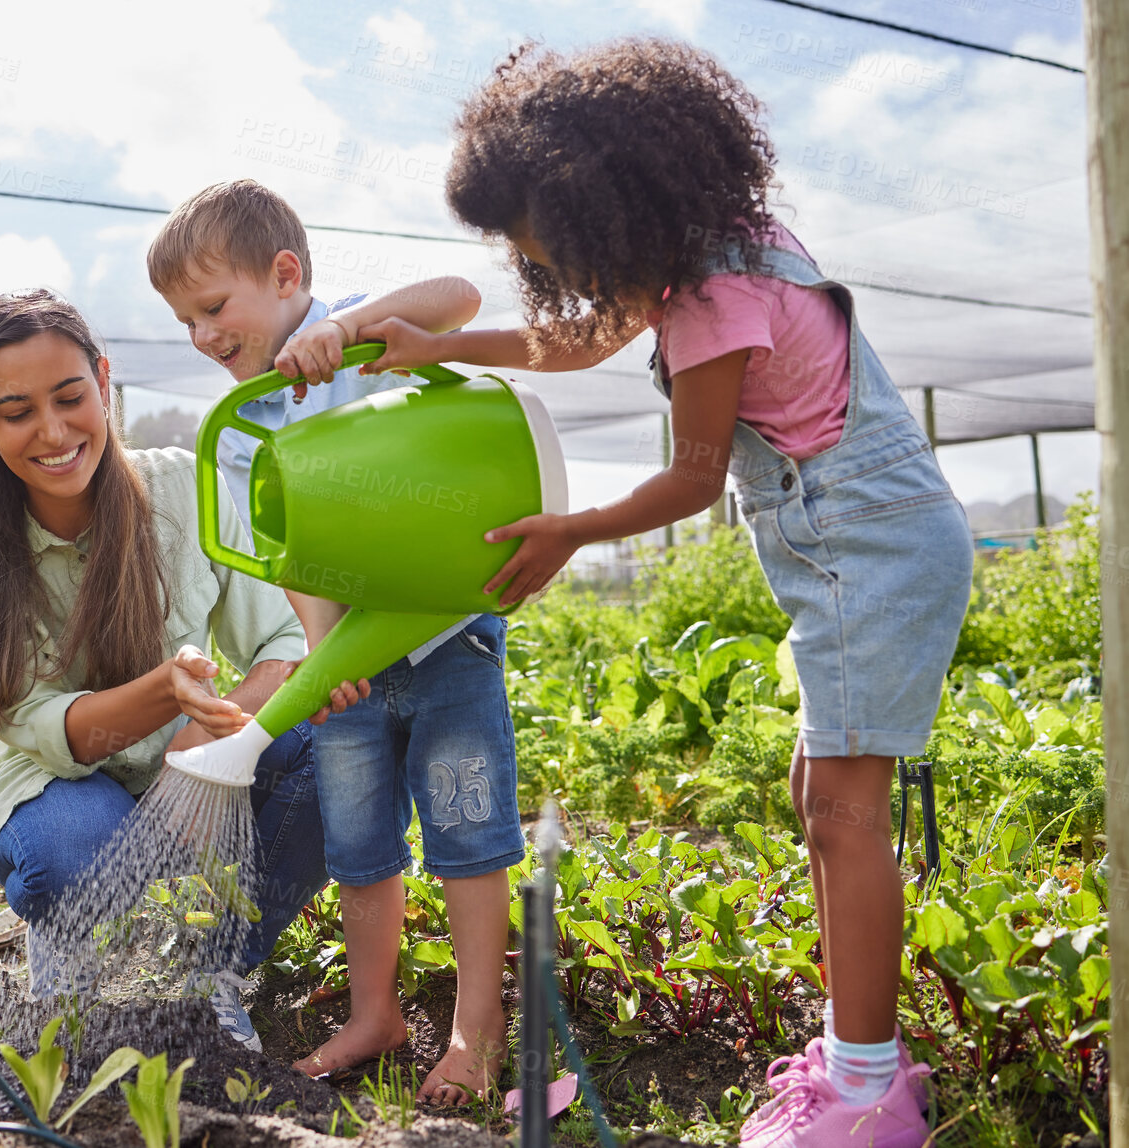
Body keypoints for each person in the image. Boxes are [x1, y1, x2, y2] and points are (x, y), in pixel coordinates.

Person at [362, 39, 965, 1147]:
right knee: (820, 797)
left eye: (567, 256)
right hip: (859, 545)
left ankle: (871, 1094)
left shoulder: (712, 297)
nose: (574, 283)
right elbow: (577, 339)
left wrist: (570, 531)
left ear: (615, 212)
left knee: (844, 813)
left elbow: (692, 477)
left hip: (867, 548)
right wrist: (430, 344)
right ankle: (849, 1055)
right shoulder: (725, 251)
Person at [149, 179, 524, 1106]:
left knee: (466, 834)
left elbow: (458, 297)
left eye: (212, 307)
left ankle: (478, 1029)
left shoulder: (359, 343)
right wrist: (327, 662)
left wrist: (351, 331)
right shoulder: (239, 432)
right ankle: (374, 1015)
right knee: (360, 849)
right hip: (354, 661)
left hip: (444, 641)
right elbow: (289, 558)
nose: (202, 336)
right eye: (183, 322)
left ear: (285, 277)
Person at [0, 288, 359, 1053]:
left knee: (336, 754)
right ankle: (80, 962)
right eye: (17, 412)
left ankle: (207, 968)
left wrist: (200, 736)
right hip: (59, 785)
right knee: (78, 856)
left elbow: (283, 638)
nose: (52, 432)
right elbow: (49, 729)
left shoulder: (182, 486)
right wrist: (164, 693)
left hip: (185, 767)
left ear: (104, 381)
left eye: (70, 397)